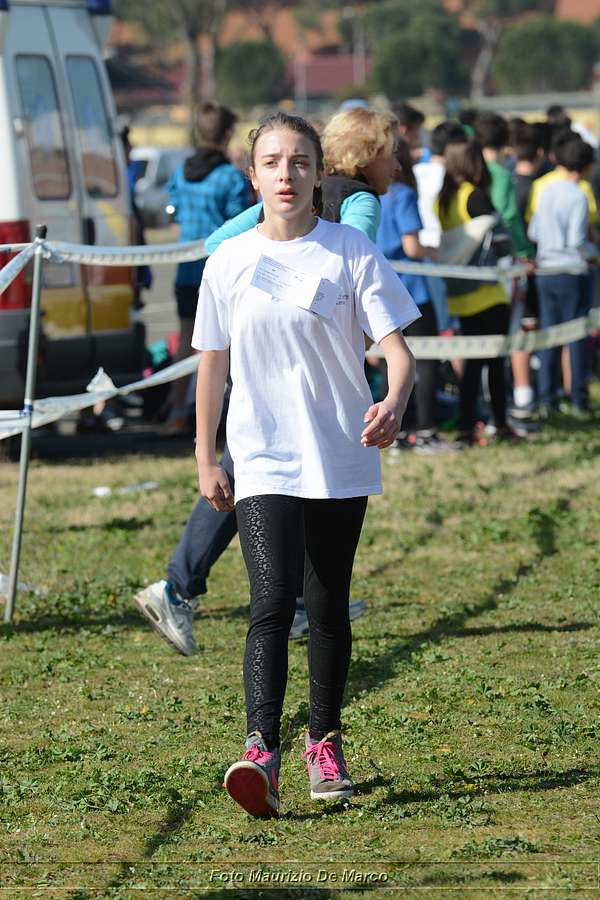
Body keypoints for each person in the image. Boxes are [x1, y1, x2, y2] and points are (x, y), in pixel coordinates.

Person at [193, 112, 418, 817]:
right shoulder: (229, 261)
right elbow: (212, 366)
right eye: (272, 162)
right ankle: (261, 749)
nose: (285, 174)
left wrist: (394, 399)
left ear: (320, 172)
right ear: (253, 176)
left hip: (339, 455)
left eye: (298, 161)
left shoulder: (350, 249)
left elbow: (398, 351)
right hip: (261, 456)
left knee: (325, 606)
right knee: (269, 601)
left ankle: (325, 743)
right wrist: (205, 456)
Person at [133, 107, 399, 653]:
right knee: (250, 480)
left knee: (264, 483)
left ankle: (269, 597)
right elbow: (338, 271)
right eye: (392, 153)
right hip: (294, 375)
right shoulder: (361, 202)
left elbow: (216, 244)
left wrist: (273, 279)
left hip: (283, 371)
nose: (396, 165)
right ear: (371, 154)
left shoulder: (290, 193)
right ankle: (186, 586)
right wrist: (289, 283)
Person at [162, 102, 252, 435]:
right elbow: (242, 222)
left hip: (186, 270)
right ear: (227, 134)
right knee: (228, 344)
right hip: (222, 271)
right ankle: (229, 416)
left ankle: (177, 411)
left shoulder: (180, 173)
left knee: (186, 340)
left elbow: (172, 211)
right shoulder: (230, 176)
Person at [377, 137, 460, 454]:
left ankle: (395, 432)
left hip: (380, 292)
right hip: (412, 289)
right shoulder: (403, 194)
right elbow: (411, 247)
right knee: (425, 360)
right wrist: (436, 251)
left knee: (388, 361)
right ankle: (425, 430)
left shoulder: (368, 196)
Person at [438, 136, 512, 444]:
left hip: (460, 295)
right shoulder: (475, 196)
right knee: (495, 363)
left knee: (471, 366)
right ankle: (500, 424)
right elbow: (501, 239)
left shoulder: (443, 200)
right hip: (488, 293)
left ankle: (467, 425)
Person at [528, 136, 596, 416]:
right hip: (571, 271)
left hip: (546, 270)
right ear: (586, 165)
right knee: (576, 336)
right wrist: (594, 253)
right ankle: (578, 397)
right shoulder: (578, 195)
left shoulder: (546, 190)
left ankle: (547, 397)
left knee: (549, 335)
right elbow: (577, 241)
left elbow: (534, 232)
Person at [414, 120, 467, 333]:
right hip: (449, 251)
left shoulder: (414, 172)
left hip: (421, 252)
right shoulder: (452, 178)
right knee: (452, 322)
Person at [473, 112, 533, 260]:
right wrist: (524, 251)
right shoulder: (501, 175)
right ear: (506, 140)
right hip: (495, 251)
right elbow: (508, 217)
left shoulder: (470, 169)